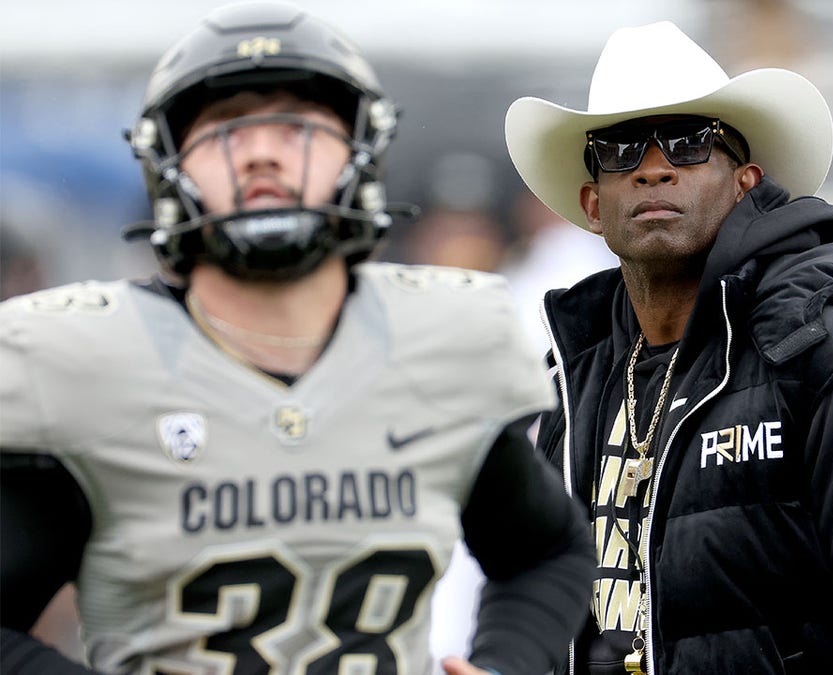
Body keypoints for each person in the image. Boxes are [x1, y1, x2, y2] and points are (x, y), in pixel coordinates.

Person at [0, 2, 593, 674]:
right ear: (170, 166)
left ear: (360, 149)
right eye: (223, 128)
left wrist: (505, 662)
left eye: (297, 125)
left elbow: (548, 552)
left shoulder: (445, 338)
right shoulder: (87, 361)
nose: (260, 151)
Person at [504, 21, 833, 674]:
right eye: (621, 151)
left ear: (747, 183)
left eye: (690, 143)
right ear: (592, 202)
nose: (654, 168)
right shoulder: (574, 381)